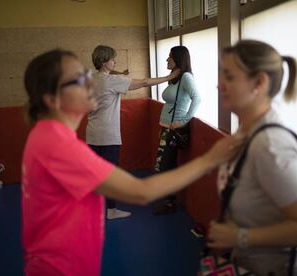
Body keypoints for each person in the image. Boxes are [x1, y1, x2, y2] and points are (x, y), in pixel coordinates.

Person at [21, 49, 243, 276]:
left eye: (85, 74)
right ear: (52, 99)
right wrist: (210, 159)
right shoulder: (60, 148)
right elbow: (141, 192)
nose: (90, 83)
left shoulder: (45, 134)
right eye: (79, 79)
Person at [207, 40, 297, 276]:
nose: (219, 85)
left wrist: (239, 236)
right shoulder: (246, 133)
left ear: (260, 82)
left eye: (229, 77)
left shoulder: (270, 145)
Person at [87, 45, 181, 220]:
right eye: (113, 59)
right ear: (105, 61)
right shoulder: (112, 82)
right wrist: (170, 76)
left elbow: (107, 78)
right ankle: (111, 210)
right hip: (108, 136)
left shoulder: (91, 78)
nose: (115, 61)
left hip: (92, 135)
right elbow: (144, 82)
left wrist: (119, 73)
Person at [153, 45, 201, 215]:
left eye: (170, 57)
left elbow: (197, 98)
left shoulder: (186, 77)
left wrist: (183, 121)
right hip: (166, 128)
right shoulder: (175, 78)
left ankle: (170, 202)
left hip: (174, 130)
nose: (167, 59)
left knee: (166, 165)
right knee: (166, 165)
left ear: (179, 59)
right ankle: (168, 200)